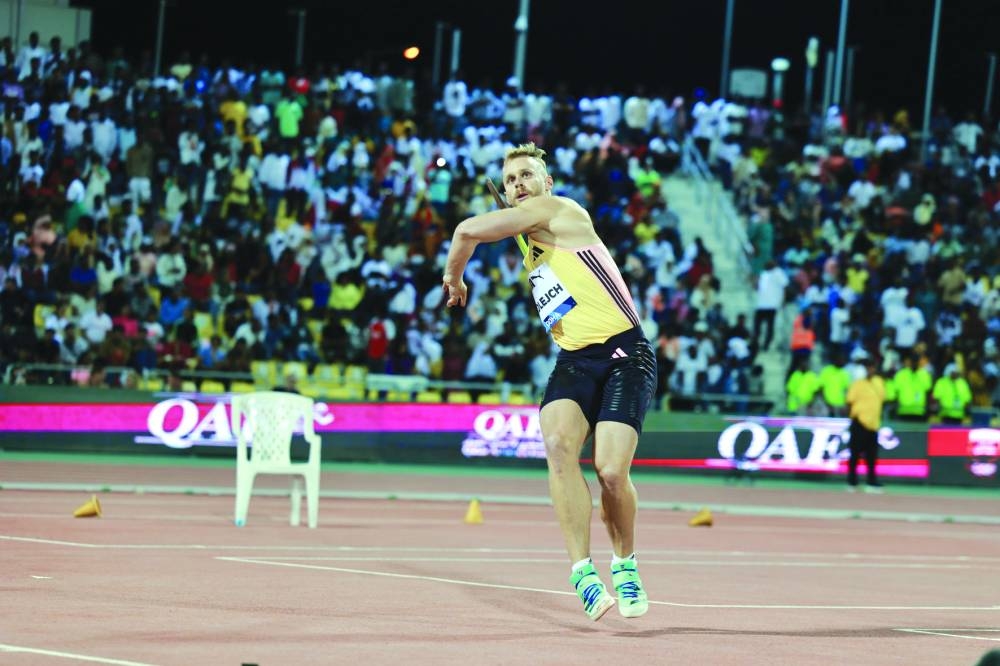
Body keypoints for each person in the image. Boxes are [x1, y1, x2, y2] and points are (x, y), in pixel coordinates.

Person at [442, 143, 656, 622]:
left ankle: (625, 564)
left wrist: (453, 279)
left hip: (625, 355)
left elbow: (465, 231)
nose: (518, 184)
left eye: (526, 175)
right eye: (511, 180)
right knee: (558, 446)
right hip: (575, 359)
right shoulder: (529, 236)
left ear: (547, 182)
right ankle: (582, 573)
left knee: (611, 472)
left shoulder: (561, 211)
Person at [845, 357, 886, 493]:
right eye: (868, 367)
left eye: (872, 367)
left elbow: (883, 399)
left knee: (872, 455)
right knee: (855, 453)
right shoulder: (857, 384)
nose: (870, 370)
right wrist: (852, 418)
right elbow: (849, 401)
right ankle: (852, 482)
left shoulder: (879, 382)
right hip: (859, 422)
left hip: (873, 423)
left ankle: (871, 481)